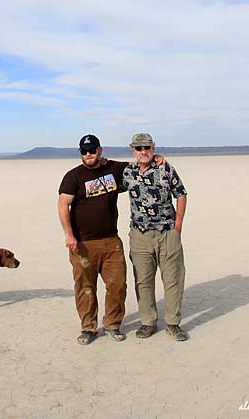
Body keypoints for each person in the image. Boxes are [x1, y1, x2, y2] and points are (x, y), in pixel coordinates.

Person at [58, 134, 165, 345]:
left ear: (100, 150)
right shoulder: (73, 176)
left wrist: (157, 158)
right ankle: (88, 327)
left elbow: (140, 163)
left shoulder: (114, 169)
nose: (88, 154)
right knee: (85, 287)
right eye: (84, 151)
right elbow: (63, 205)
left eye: (92, 150)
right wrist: (69, 235)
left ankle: (112, 324)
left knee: (117, 285)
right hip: (82, 243)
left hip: (111, 241)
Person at [123, 133, 189, 341]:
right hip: (140, 234)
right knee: (143, 280)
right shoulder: (128, 171)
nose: (144, 152)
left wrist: (178, 224)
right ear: (133, 150)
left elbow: (181, 193)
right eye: (139, 148)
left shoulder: (166, 168)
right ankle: (148, 322)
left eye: (147, 148)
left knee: (173, 279)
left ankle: (173, 323)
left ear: (153, 148)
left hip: (167, 232)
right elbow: (105, 167)